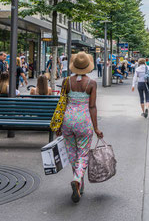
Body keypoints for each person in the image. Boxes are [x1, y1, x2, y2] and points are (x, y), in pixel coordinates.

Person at [57, 52, 102, 202]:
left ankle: (79, 185)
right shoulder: (91, 83)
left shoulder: (66, 81)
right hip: (83, 122)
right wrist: (96, 128)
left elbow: (62, 103)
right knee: (83, 153)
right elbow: (93, 106)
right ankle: (77, 179)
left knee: (72, 153)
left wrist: (58, 125)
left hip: (68, 121)